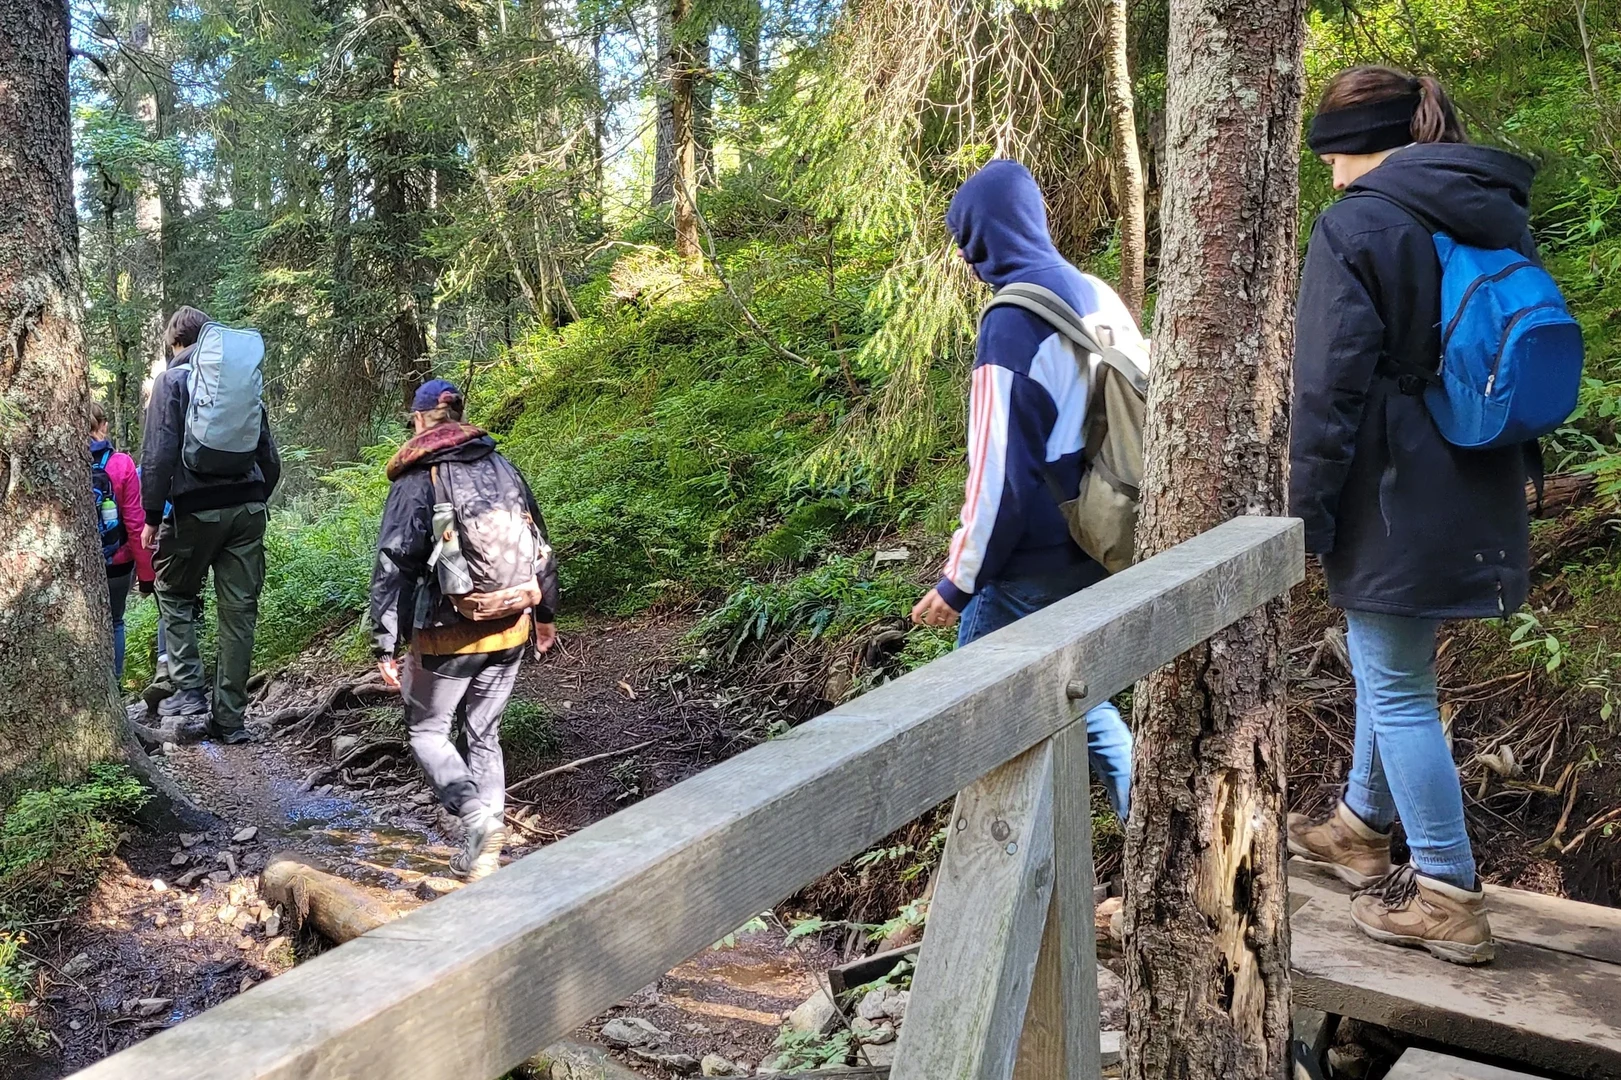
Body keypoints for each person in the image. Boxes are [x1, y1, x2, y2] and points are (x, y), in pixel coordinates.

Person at [1286, 67, 1537, 966]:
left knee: (1396, 686)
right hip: (1475, 473)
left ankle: (1445, 893)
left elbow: (1325, 384)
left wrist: (1303, 514)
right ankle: (1360, 825)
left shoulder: (1358, 221)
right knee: (1388, 664)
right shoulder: (1480, 206)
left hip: (1392, 485)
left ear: (1344, 143)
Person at [910, 159, 1136, 820]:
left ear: (981, 240)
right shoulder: (1095, 292)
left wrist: (959, 582)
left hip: (1029, 560)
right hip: (1101, 533)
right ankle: (1151, 831)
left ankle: (995, 892)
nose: (964, 256)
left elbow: (997, 475)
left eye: (965, 240)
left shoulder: (1010, 321)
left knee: (976, 714)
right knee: (1076, 692)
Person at [370, 379, 559, 881]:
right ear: (458, 416)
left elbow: (395, 563)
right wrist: (545, 616)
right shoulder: (503, 466)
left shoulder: (418, 477)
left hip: (445, 632)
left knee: (427, 730)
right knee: (484, 734)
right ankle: (485, 853)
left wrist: (385, 640)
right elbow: (540, 543)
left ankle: (475, 818)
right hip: (513, 623)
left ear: (420, 419)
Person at [141, 306, 281, 744]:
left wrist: (150, 515)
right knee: (239, 614)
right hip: (249, 507)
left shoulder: (171, 381)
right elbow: (268, 454)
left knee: (174, 592)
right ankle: (230, 720)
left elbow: (158, 454)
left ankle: (189, 693)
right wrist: (255, 496)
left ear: (175, 344)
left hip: (194, 509)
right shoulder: (237, 383)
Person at [89, 403, 155, 679]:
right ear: (103, 425)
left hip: (76, 564)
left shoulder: (64, 461)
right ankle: (113, 689)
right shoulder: (121, 463)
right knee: (115, 621)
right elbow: (135, 522)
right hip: (118, 561)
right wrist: (146, 574)